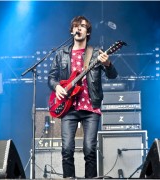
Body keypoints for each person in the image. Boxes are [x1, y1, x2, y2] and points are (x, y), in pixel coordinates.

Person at [48, 16, 118, 178]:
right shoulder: (61, 54)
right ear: (72, 31)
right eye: (75, 26)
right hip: (68, 107)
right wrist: (57, 86)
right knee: (66, 149)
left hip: (90, 108)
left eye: (83, 26)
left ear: (88, 32)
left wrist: (107, 64)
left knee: (89, 150)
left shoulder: (95, 54)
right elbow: (52, 77)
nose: (78, 28)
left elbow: (113, 75)